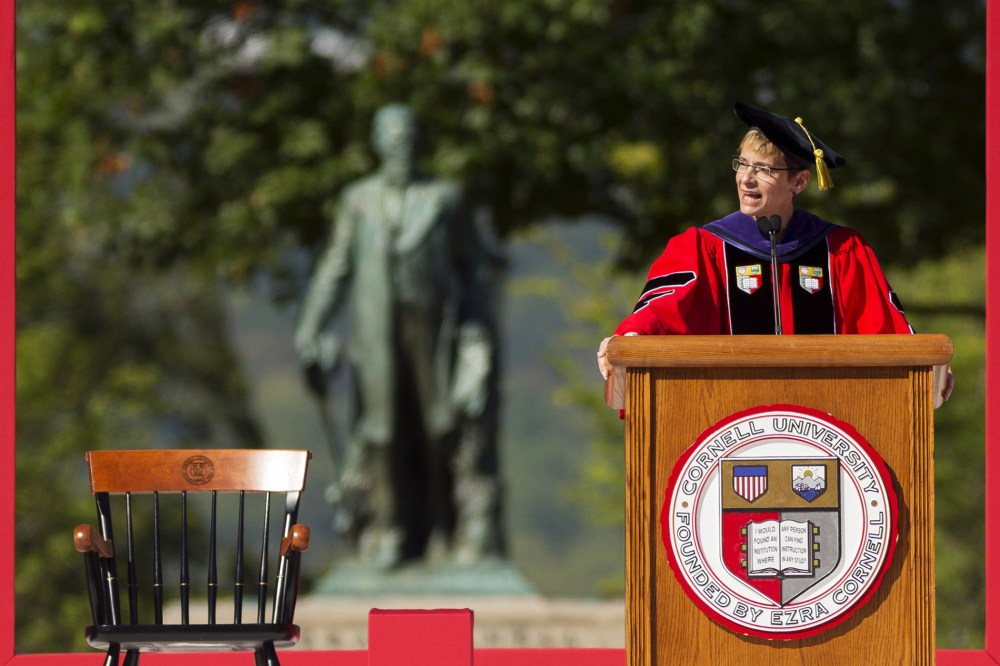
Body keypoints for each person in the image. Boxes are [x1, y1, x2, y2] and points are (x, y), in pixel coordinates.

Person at [597, 101, 953, 401]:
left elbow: (884, 328)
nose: (746, 178)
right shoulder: (703, 248)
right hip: (728, 420)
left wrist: (928, 367)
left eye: (763, 169)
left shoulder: (840, 250)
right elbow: (663, 309)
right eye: (742, 164)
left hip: (827, 423)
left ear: (798, 181)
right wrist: (629, 339)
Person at [295, 103, 504, 569]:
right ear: (378, 144)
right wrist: (312, 326)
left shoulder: (444, 198)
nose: (401, 146)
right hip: (375, 327)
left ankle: (444, 529)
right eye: (392, 138)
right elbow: (336, 266)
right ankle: (388, 529)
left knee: (441, 427)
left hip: (432, 326)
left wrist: (475, 334)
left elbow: (472, 267)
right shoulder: (358, 200)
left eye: (408, 137)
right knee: (381, 429)